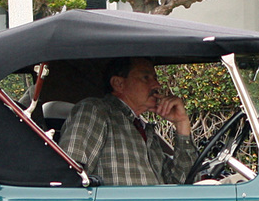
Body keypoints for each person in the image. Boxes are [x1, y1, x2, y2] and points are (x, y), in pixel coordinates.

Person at [58, 57, 198, 184]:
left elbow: (183, 181)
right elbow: (69, 174)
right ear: (118, 83)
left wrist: (181, 124)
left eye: (155, 78)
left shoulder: (144, 130)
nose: (157, 85)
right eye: (146, 77)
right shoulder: (96, 111)